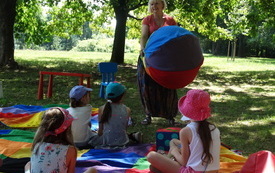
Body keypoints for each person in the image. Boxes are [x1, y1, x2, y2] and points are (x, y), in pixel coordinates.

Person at [147, 89, 220, 173]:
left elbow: (184, 162)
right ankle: (168, 161)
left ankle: (168, 159)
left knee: (151, 156)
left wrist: (174, 151)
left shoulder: (186, 131)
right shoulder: (214, 129)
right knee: (174, 141)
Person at [138, 0, 178, 125]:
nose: (154, 6)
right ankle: (148, 115)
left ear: (162, 5)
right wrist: (143, 50)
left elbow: (176, 36)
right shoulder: (147, 20)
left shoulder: (170, 20)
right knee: (147, 86)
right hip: (149, 56)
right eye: (152, 4)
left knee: (168, 85)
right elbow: (144, 36)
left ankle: (170, 116)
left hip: (166, 57)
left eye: (156, 3)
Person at [25, 107, 77, 173]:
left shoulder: (37, 145)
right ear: (66, 130)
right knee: (92, 170)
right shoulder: (70, 150)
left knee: (28, 164)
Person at [97, 82, 143, 149]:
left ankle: (133, 136)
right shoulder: (127, 110)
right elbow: (124, 129)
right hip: (122, 142)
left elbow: (100, 132)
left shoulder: (101, 109)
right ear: (122, 96)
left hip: (106, 142)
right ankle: (133, 136)